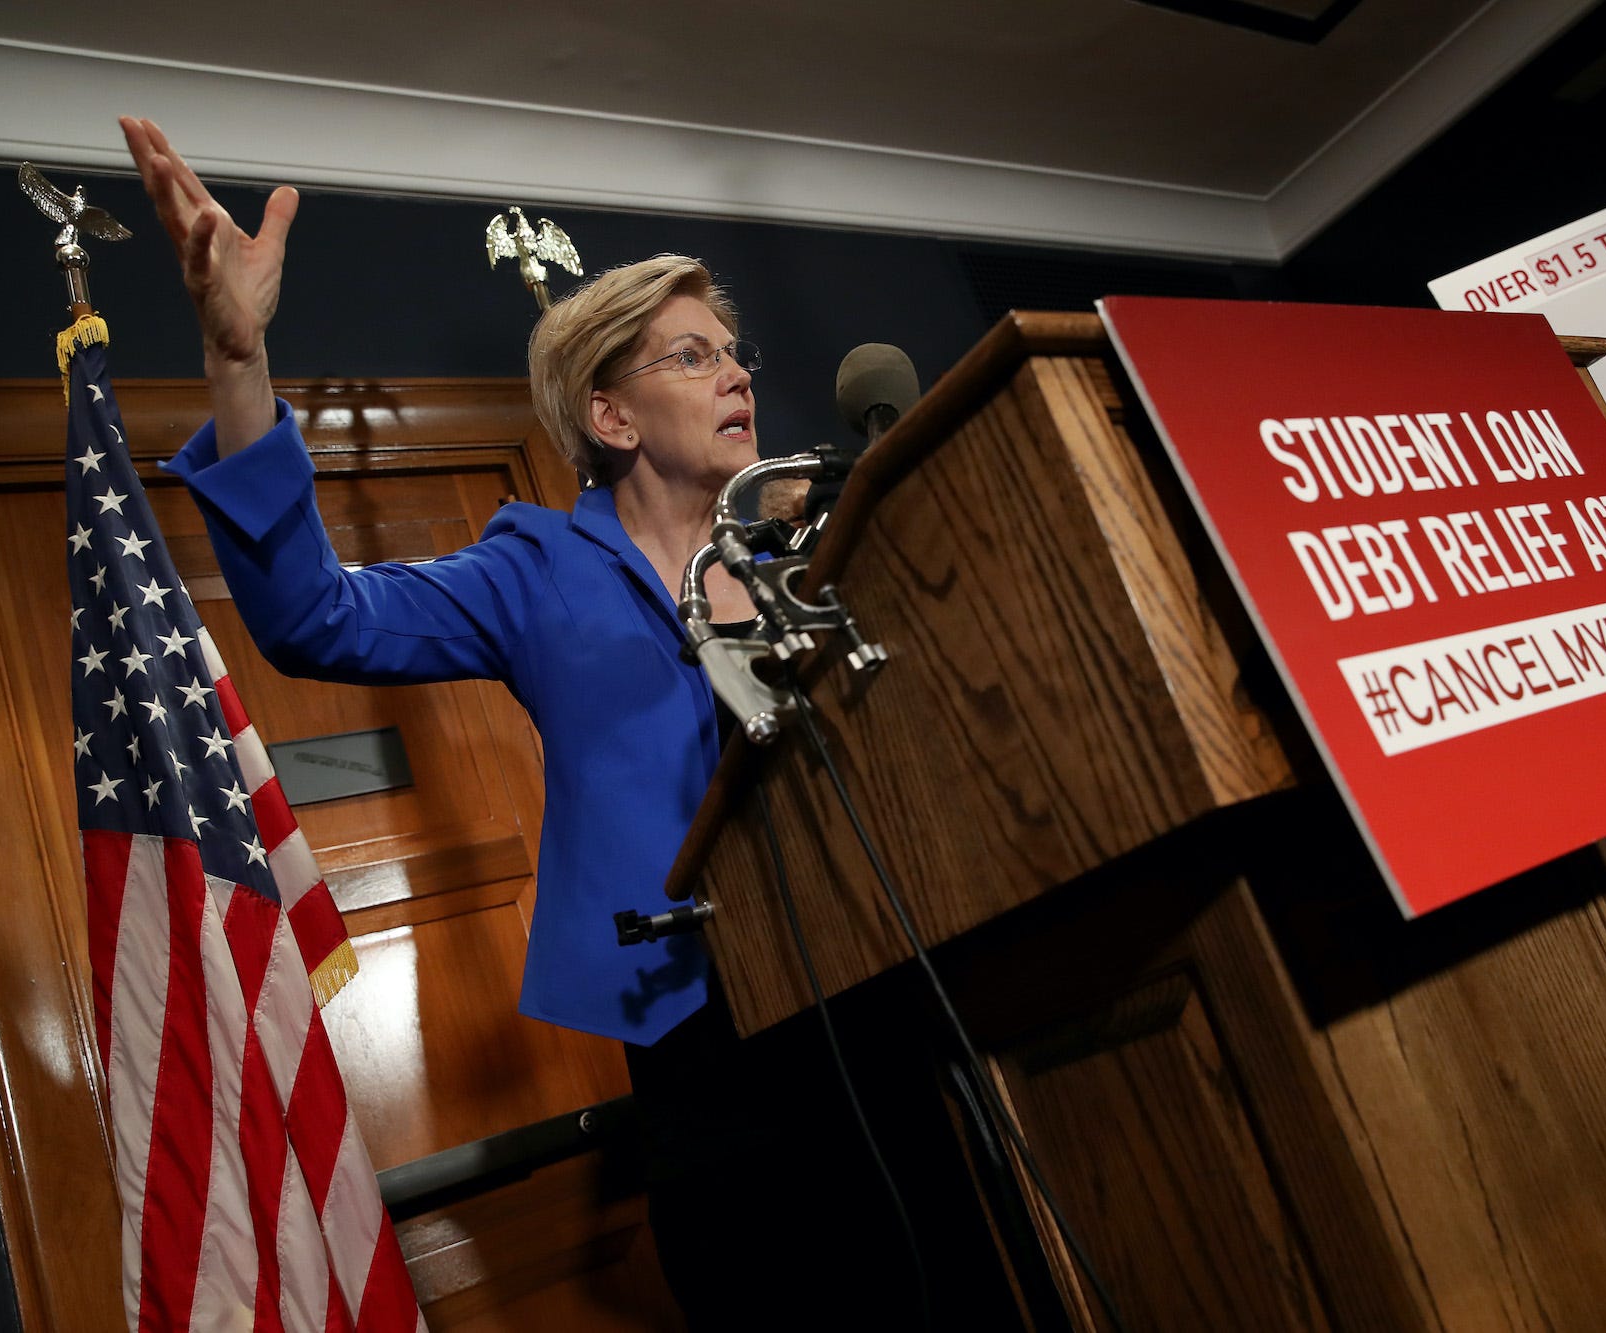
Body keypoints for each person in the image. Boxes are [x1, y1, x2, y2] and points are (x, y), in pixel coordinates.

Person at [118, 118, 1024, 1331]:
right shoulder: (533, 571)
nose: (739, 375)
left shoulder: (819, 540)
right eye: (695, 356)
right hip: (707, 1049)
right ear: (612, 417)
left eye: (735, 352)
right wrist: (238, 358)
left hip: (887, 998)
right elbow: (310, 618)